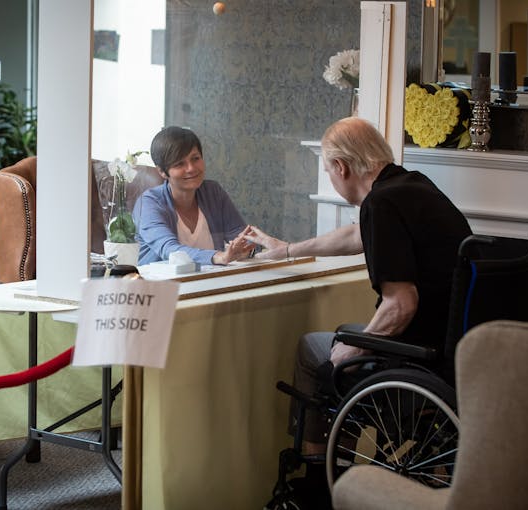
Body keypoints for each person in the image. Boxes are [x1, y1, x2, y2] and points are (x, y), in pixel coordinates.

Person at [246, 117, 472, 458]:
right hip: (452, 350)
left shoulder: (380, 204)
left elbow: (401, 305)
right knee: (344, 334)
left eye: (329, 171)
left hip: (418, 358)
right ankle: (342, 459)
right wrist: (289, 249)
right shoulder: (412, 186)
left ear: (341, 166)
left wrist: (358, 349)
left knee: (315, 350)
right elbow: (356, 235)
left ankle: (318, 475)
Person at [133, 126, 253, 265]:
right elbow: (170, 250)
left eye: (195, 158)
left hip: (210, 282)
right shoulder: (149, 203)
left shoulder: (213, 192)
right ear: (162, 172)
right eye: (179, 164)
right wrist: (218, 256)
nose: (191, 168)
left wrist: (246, 248)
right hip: (161, 284)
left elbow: (240, 234)